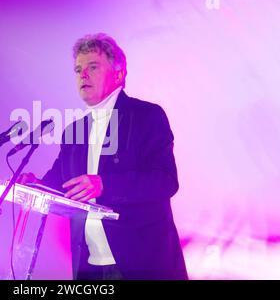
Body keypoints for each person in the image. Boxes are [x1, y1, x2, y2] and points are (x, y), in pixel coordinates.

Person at [18, 33, 187, 280]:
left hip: (142, 264)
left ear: (118, 74)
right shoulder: (74, 130)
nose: (82, 75)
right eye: (78, 70)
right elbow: (58, 183)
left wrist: (104, 185)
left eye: (92, 67)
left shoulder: (146, 116)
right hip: (89, 268)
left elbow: (165, 181)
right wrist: (33, 186)